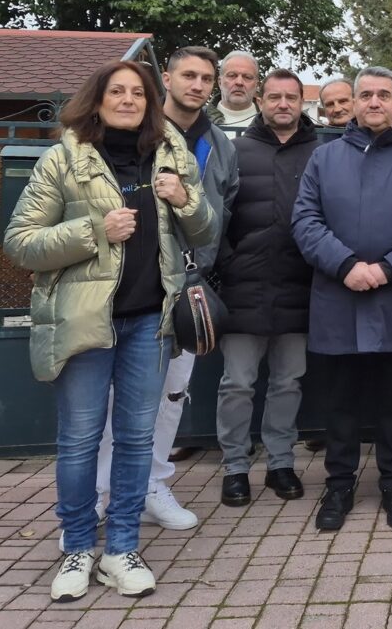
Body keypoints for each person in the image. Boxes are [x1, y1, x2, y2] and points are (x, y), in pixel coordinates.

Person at [5, 61, 216, 602]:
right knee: (78, 441)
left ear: (151, 101)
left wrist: (184, 199)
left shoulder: (171, 155)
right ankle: (77, 544)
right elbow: (21, 241)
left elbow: (207, 228)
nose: (127, 100)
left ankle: (121, 547)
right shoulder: (65, 159)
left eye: (136, 93)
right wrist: (94, 230)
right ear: (95, 100)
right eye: (115, 92)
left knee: (136, 439)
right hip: (85, 322)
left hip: (152, 319)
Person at [293, 66, 392, 532]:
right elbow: (305, 220)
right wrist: (346, 266)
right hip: (337, 295)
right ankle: (339, 483)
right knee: (338, 398)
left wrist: (386, 268)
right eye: (367, 95)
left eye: (384, 94)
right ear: (353, 103)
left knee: (391, 398)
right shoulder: (323, 159)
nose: (375, 102)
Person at [91, 46, 237, 532]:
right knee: (118, 398)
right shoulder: (142, 135)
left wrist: (213, 262)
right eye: (188, 75)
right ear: (167, 80)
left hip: (190, 286)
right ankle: (99, 490)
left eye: (206, 78)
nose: (197, 85)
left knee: (173, 392)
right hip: (136, 282)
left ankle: (153, 483)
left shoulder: (221, 141)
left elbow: (224, 206)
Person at [214, 69, 322, 508]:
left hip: (300, 285)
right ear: (261, 101)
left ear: (301, 103)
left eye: (290, 97)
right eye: (274, 97)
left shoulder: (321, 153)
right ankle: (235, 467)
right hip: (244, 286)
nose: (282, 104)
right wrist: (228, 263)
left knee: (288, 382)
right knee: (237, 383)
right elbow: (213, 215)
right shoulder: (235, 151)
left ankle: (281, 462)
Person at [208, 50, 261, 138]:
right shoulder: (197, 119)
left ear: (257, 85)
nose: (239, 82)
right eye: (232, 75)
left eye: (247, 77)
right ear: (220, 82)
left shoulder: (270, 123)